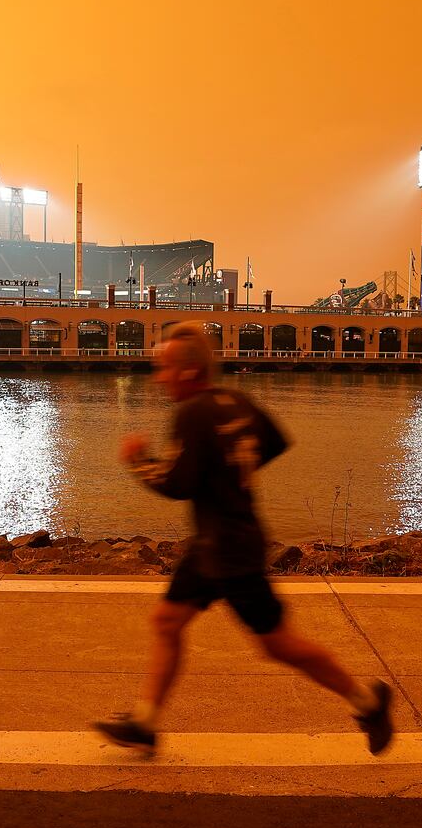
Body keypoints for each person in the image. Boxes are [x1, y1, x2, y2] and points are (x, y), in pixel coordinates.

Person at [94, 322, 395, 755]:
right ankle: (144, 721)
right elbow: (273, 441)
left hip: (230, 550)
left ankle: (368, 702)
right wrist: (237, 473)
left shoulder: (193, 411)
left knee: (278, 644)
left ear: (185, 372)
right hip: (214, 544)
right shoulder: (236, 401)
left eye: (162, 370)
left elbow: (178, 483)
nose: (158, 379)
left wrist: (138, 460)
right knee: (166, 621)